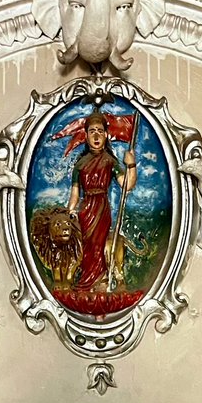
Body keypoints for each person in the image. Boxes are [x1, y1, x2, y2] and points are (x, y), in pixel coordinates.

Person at [67, 109, 136, 291]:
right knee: (86, 246)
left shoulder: (109, 161)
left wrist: (131, 164)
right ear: (86, 136)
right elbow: (75, 193)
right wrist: (70, 211)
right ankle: (86, 281)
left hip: (101, 207)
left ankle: (101, 281)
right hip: (85, 209)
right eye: (92, 131)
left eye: (100, 131)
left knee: (99, 244)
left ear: (106, 135)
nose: (96, 136)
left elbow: (127, 185)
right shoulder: (80, 164)